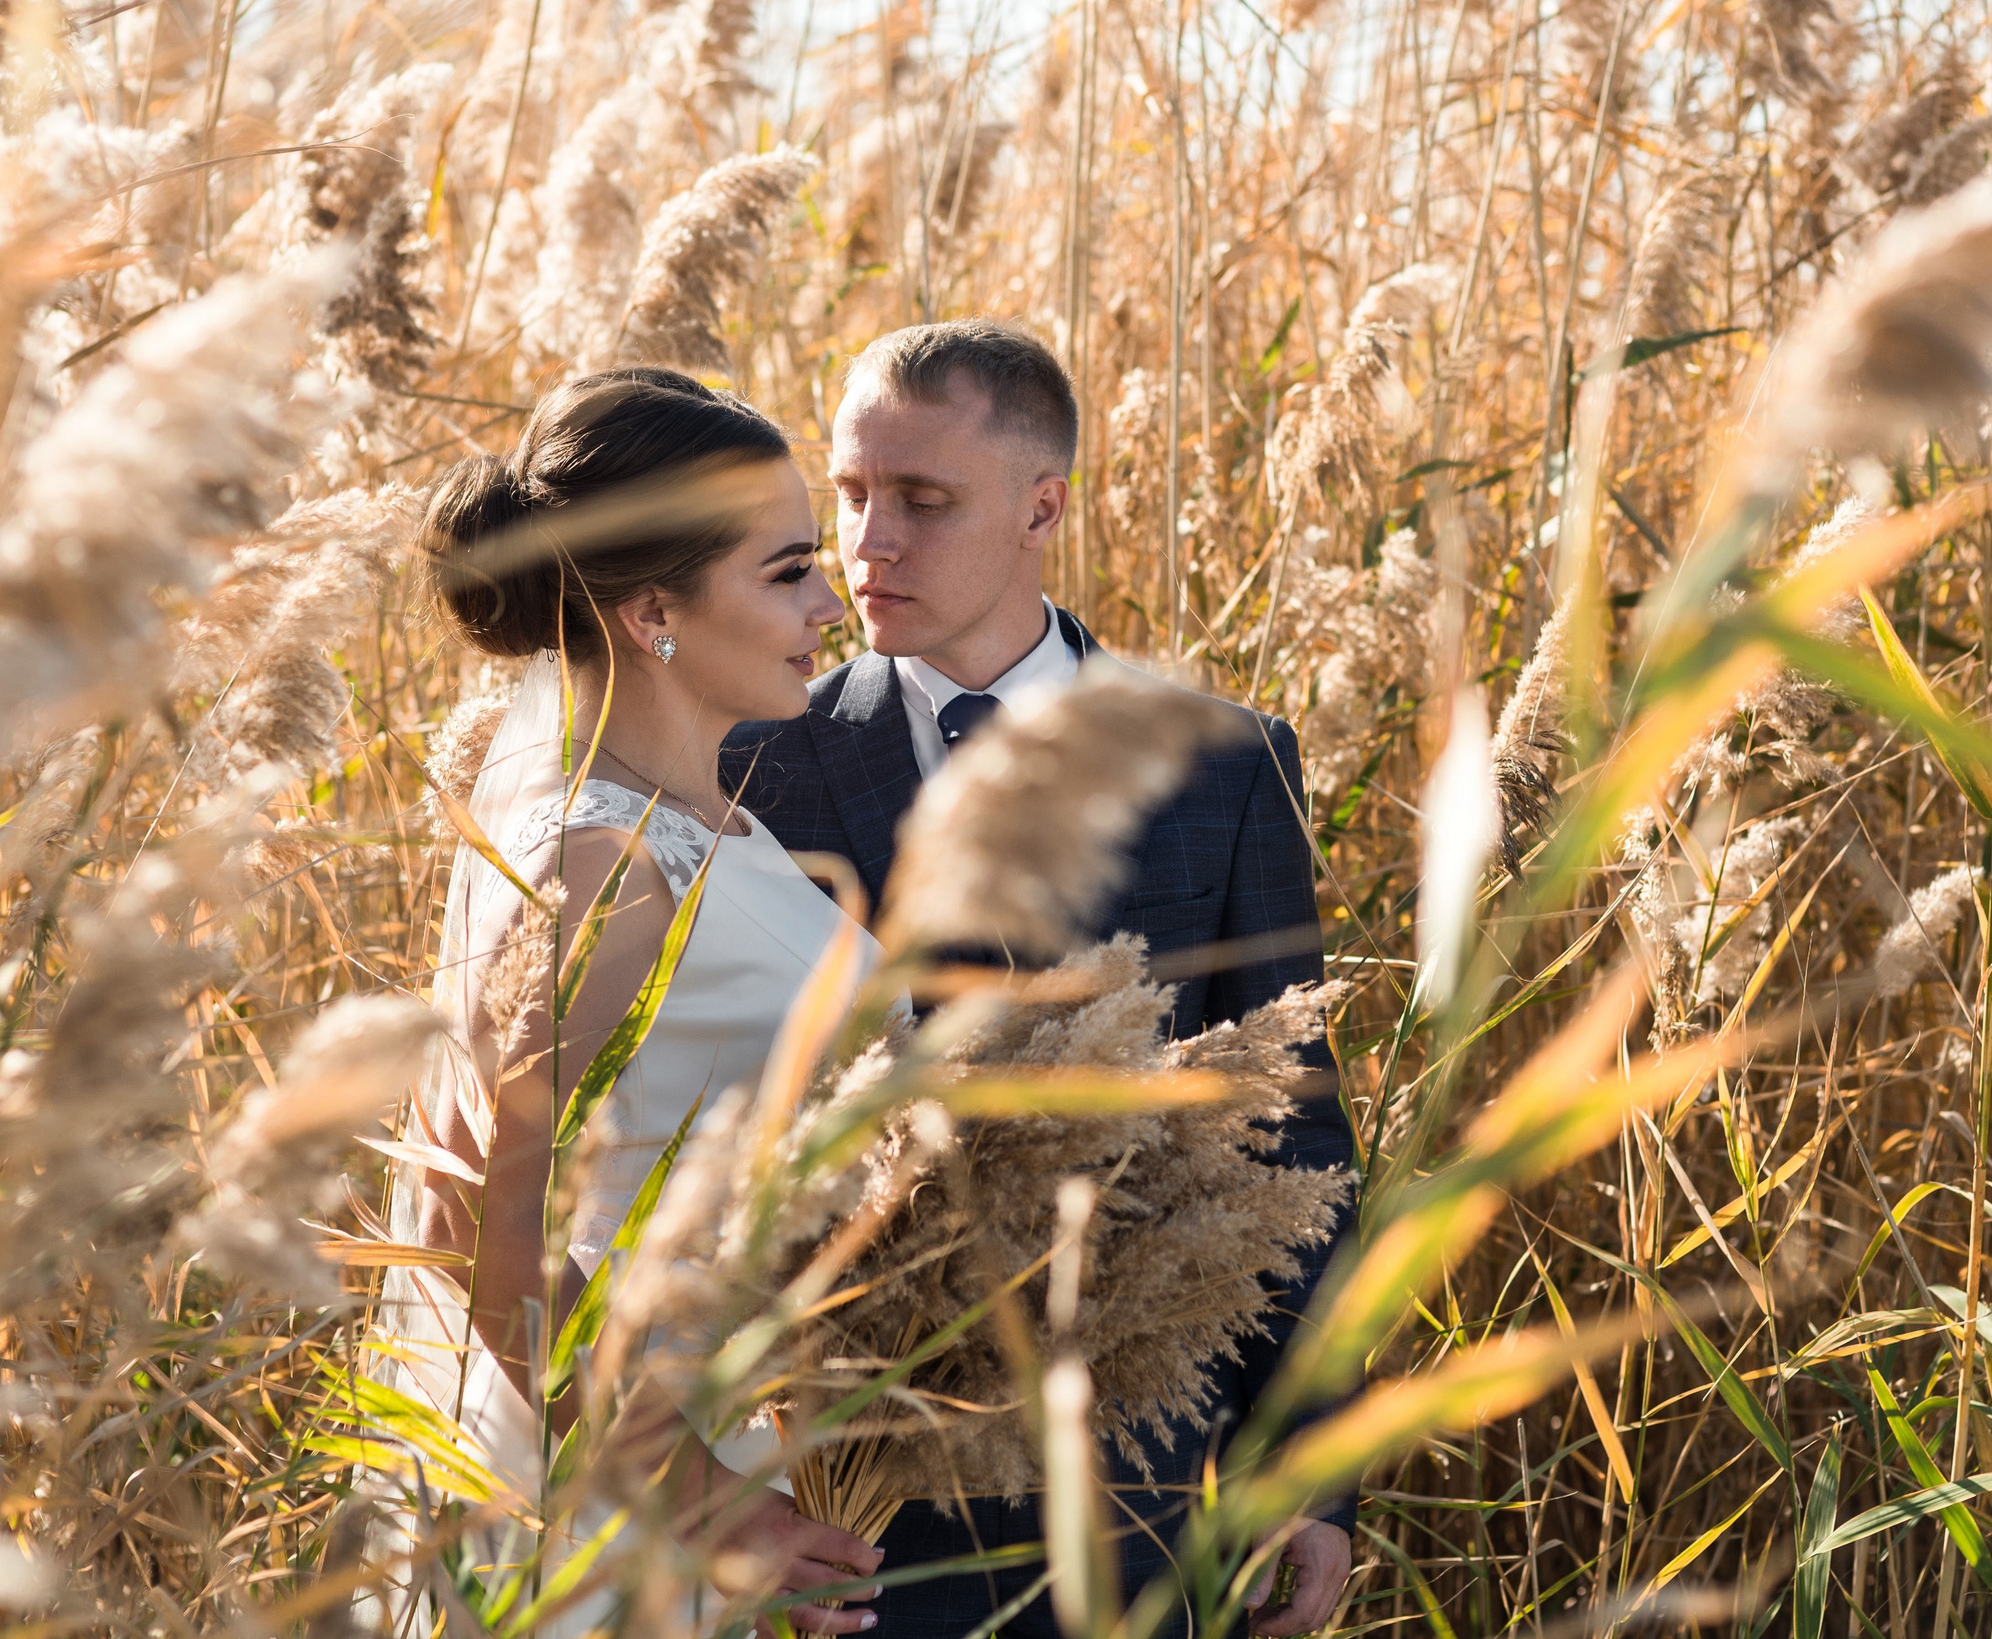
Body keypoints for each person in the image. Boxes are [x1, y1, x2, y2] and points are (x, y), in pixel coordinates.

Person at [722, 321, 1360, 1639]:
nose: (869, 540)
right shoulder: (756, 765)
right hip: (840, 1488)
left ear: (1041, 507)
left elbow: (1290, 1136)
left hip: (1130, 1474)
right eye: (850, 496)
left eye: (922, 500)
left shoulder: (1223, 766)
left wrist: (1304, 1465)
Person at [384, 369, 888, 1636]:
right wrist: (702, 1501)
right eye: (786, 573)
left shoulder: (712, 820)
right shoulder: (600, 865)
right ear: (653, 607)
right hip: (614, 1513)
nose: (831, 604)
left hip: (713, 1439)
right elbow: (467, 1208)